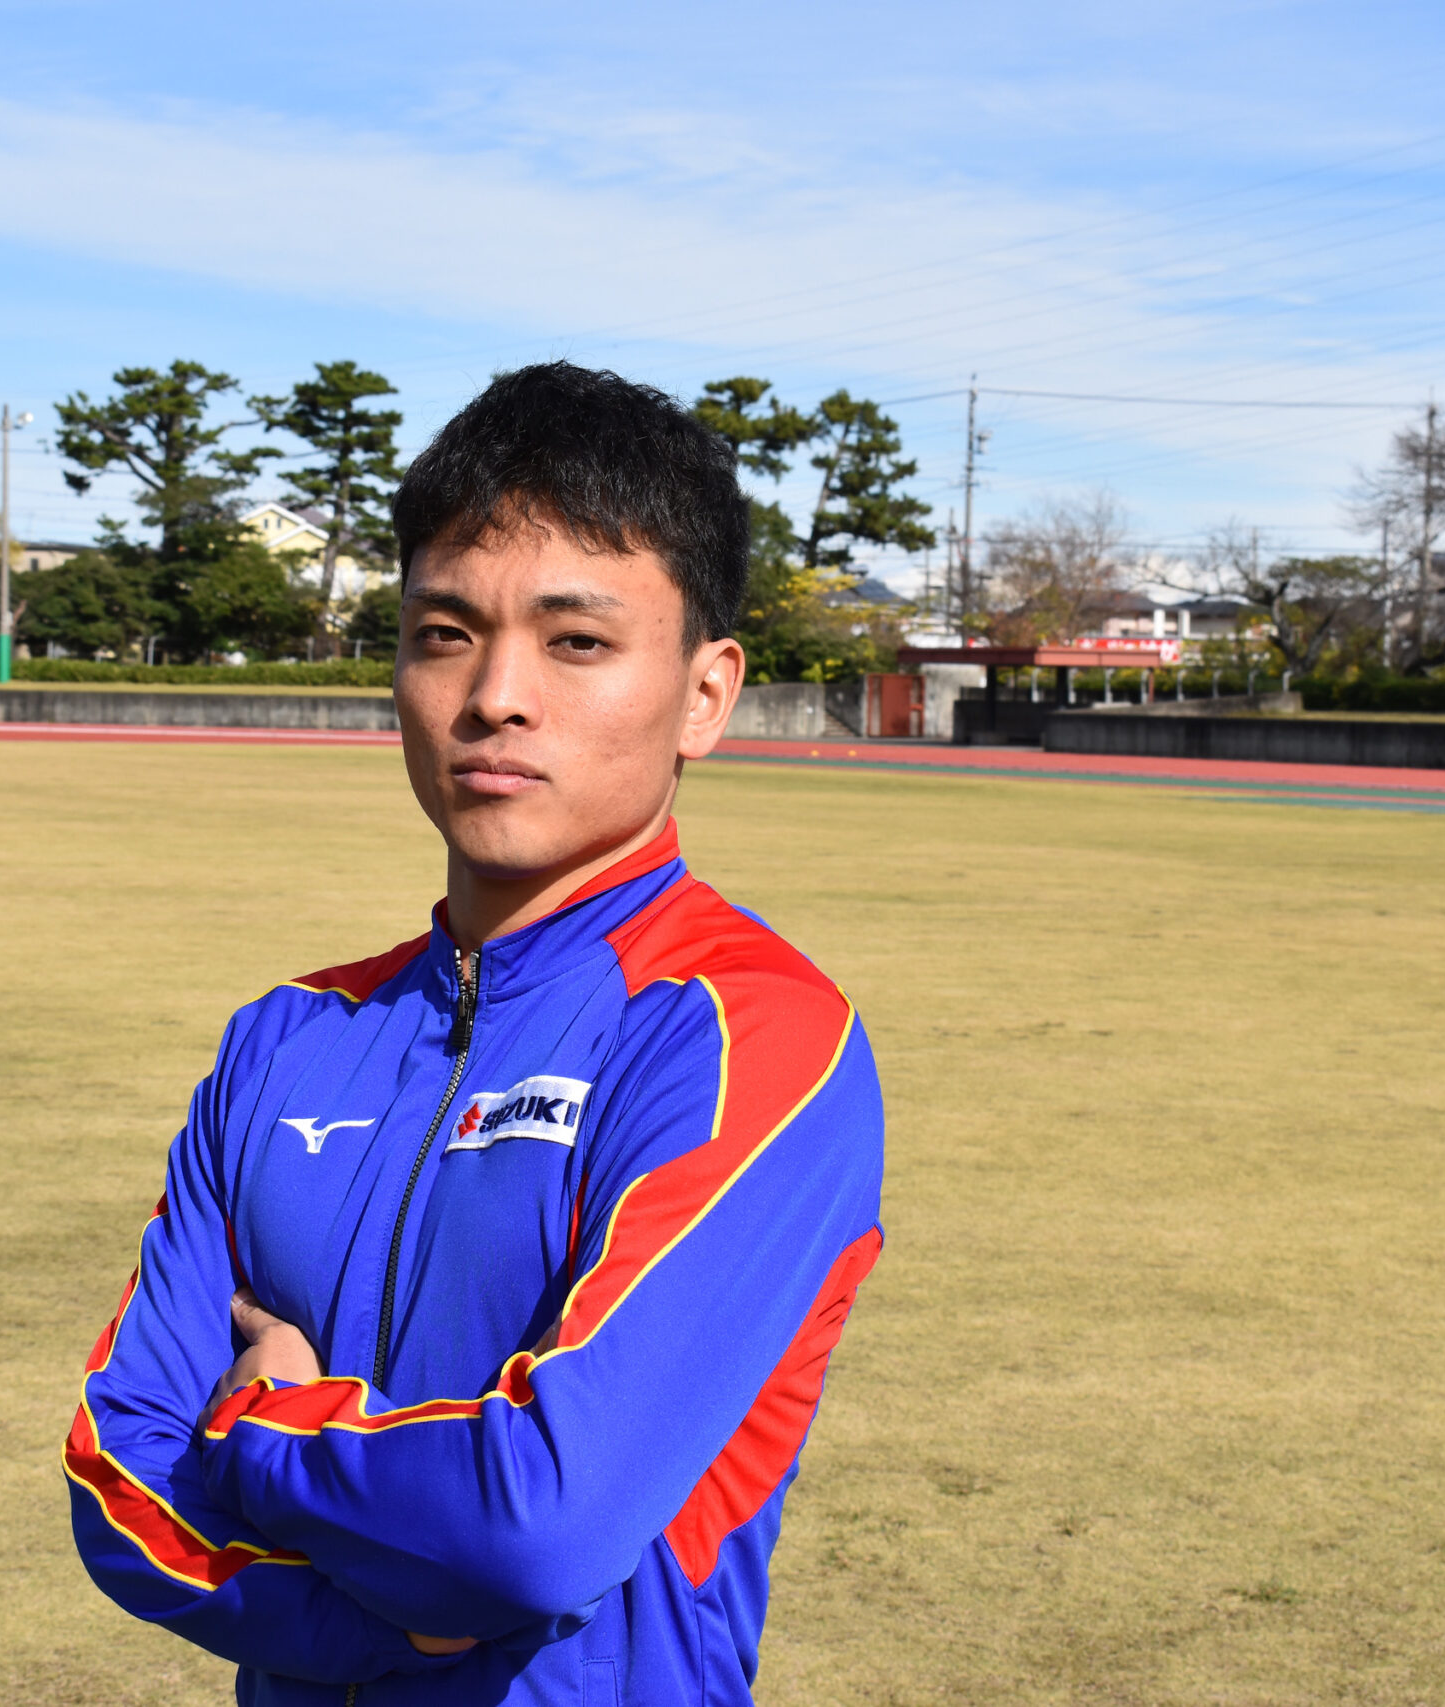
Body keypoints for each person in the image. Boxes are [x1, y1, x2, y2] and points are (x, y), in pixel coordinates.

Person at [64, 363, 887, 1706]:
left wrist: (262, 1422)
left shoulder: (747, 1037)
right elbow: (116, 1475)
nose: (495, 694)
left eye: (576, 642)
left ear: (704, 693)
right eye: (446, 631)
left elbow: (536, 1525)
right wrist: (381, 1633)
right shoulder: (286, 1038)